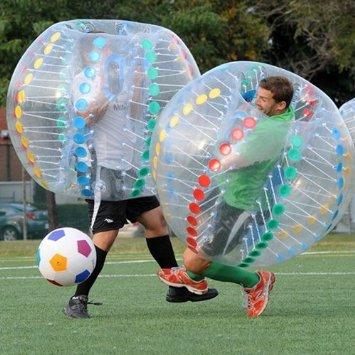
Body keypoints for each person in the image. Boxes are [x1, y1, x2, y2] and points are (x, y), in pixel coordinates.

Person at [64, 34, 218, 319]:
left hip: (131, 168)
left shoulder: (125, 81)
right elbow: (85, 117)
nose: (115, 55)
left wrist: (135, 87)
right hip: (104, 169)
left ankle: (176, 288)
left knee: (157, 223)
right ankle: (78, 298)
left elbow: (134, 116)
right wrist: (106, 90)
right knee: (105, 237)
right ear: (93, 56)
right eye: (108, 50)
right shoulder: (84, 81)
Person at [158, 76, 295, 318]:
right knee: (200, 248)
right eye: (257, 96)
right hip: (230, 193)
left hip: (240, 203)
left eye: (263, 99)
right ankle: (194, 279)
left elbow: (236, 160)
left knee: (197, 260)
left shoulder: (270, 130)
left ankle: (255, 281)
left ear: (280, 105)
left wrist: (214, 159)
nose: (256, 102)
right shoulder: (279, 115)